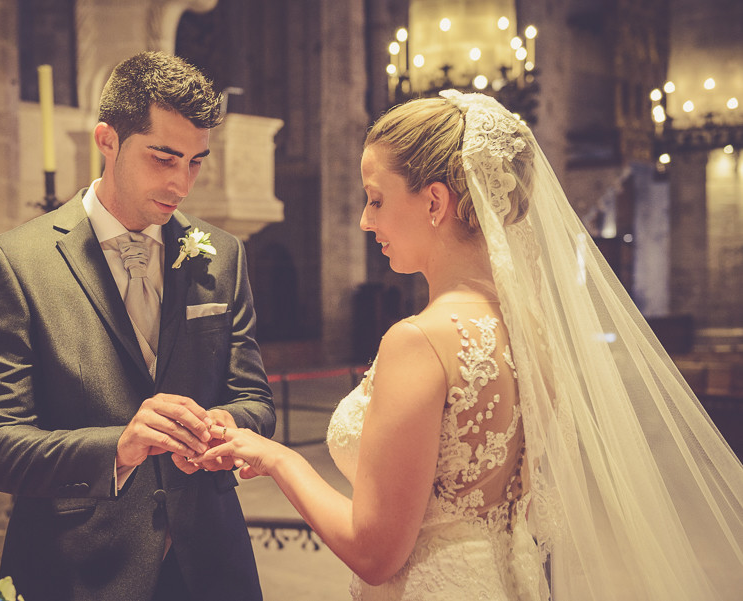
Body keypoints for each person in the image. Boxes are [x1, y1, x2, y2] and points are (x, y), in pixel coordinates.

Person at [199, 90, 743, 600]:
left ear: (435, 201)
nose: (366, 221)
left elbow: (375, 552)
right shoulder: (529, 329)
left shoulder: (420, 341)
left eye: (375, 199)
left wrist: (277, 458)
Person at [0, 51, 275, 601]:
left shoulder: (221, 255)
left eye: (196, 162)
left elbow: (256, 400)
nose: (182, 184)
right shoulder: (18, 262)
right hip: (78, 570)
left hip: (211, 563)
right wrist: (118, 448)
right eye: (163, 158)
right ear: (107, 140)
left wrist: (223, 421)